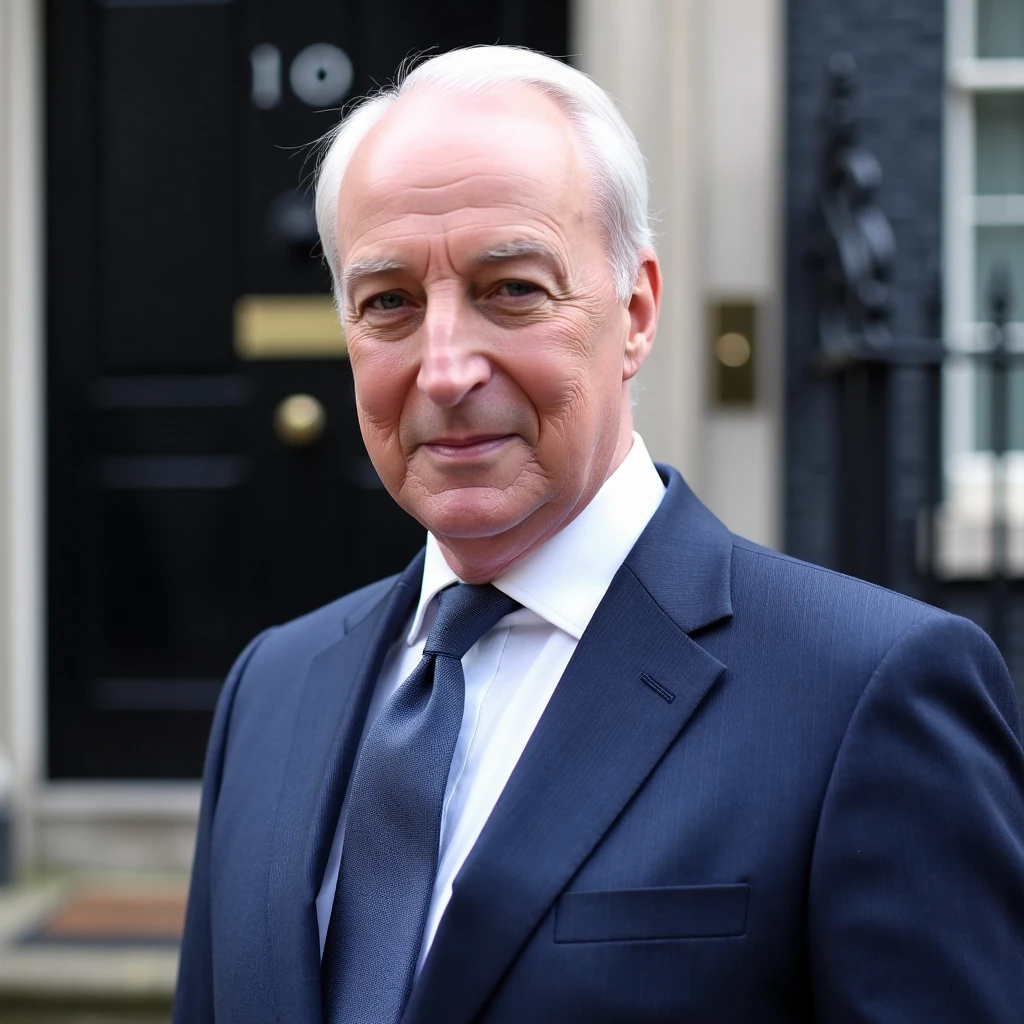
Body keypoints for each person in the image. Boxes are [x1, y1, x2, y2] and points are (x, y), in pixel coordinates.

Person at [173, 46, 1024, 1024]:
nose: (444, 369)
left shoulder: (866, 695)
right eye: (390, 303)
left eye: (512, 290)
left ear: (635, 311)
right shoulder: (270, 691)